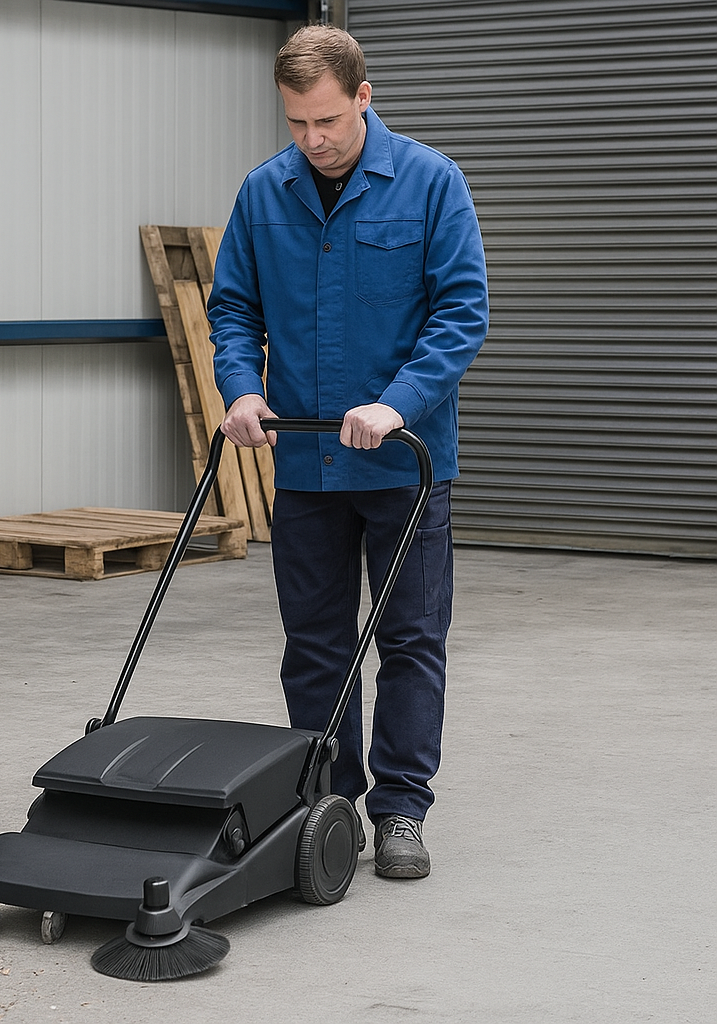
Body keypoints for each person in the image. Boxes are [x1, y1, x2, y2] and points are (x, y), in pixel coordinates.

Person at [208, 24, 489, 879]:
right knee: (317, 644)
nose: (313, 140)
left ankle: (401, 809)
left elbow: (461, 315)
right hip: (307, 464)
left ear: (364, 97)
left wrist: (395, 405)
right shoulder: (264, 194)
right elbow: (233, 311)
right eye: (296, 124)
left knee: (410, 639)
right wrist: (242, 389)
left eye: (326, 120)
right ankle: (328, 799)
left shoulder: (432, 185)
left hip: (404, 465)